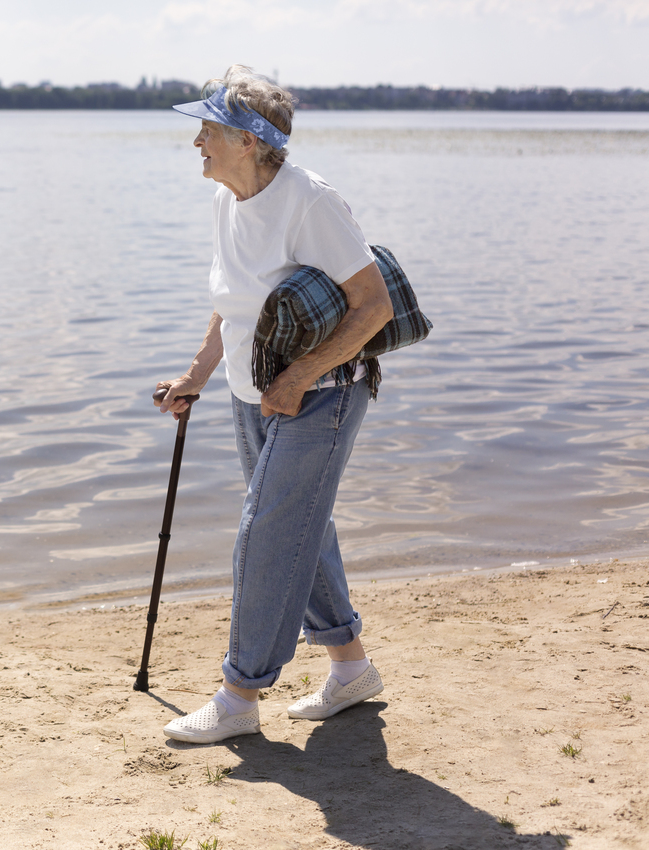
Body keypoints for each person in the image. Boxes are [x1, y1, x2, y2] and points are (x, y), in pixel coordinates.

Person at [155, 66, 394, 744]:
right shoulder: (228, 201)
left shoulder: (308, 202)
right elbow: (231, 302)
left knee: (266, 534)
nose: (196, 140)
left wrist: (296, 380)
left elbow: (372, 306)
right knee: (300, 527)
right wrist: (196, 376)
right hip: (248, 396)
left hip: (318, 397)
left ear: (249, 140)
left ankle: (239, 693)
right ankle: (350, 669)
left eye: (208, 129)